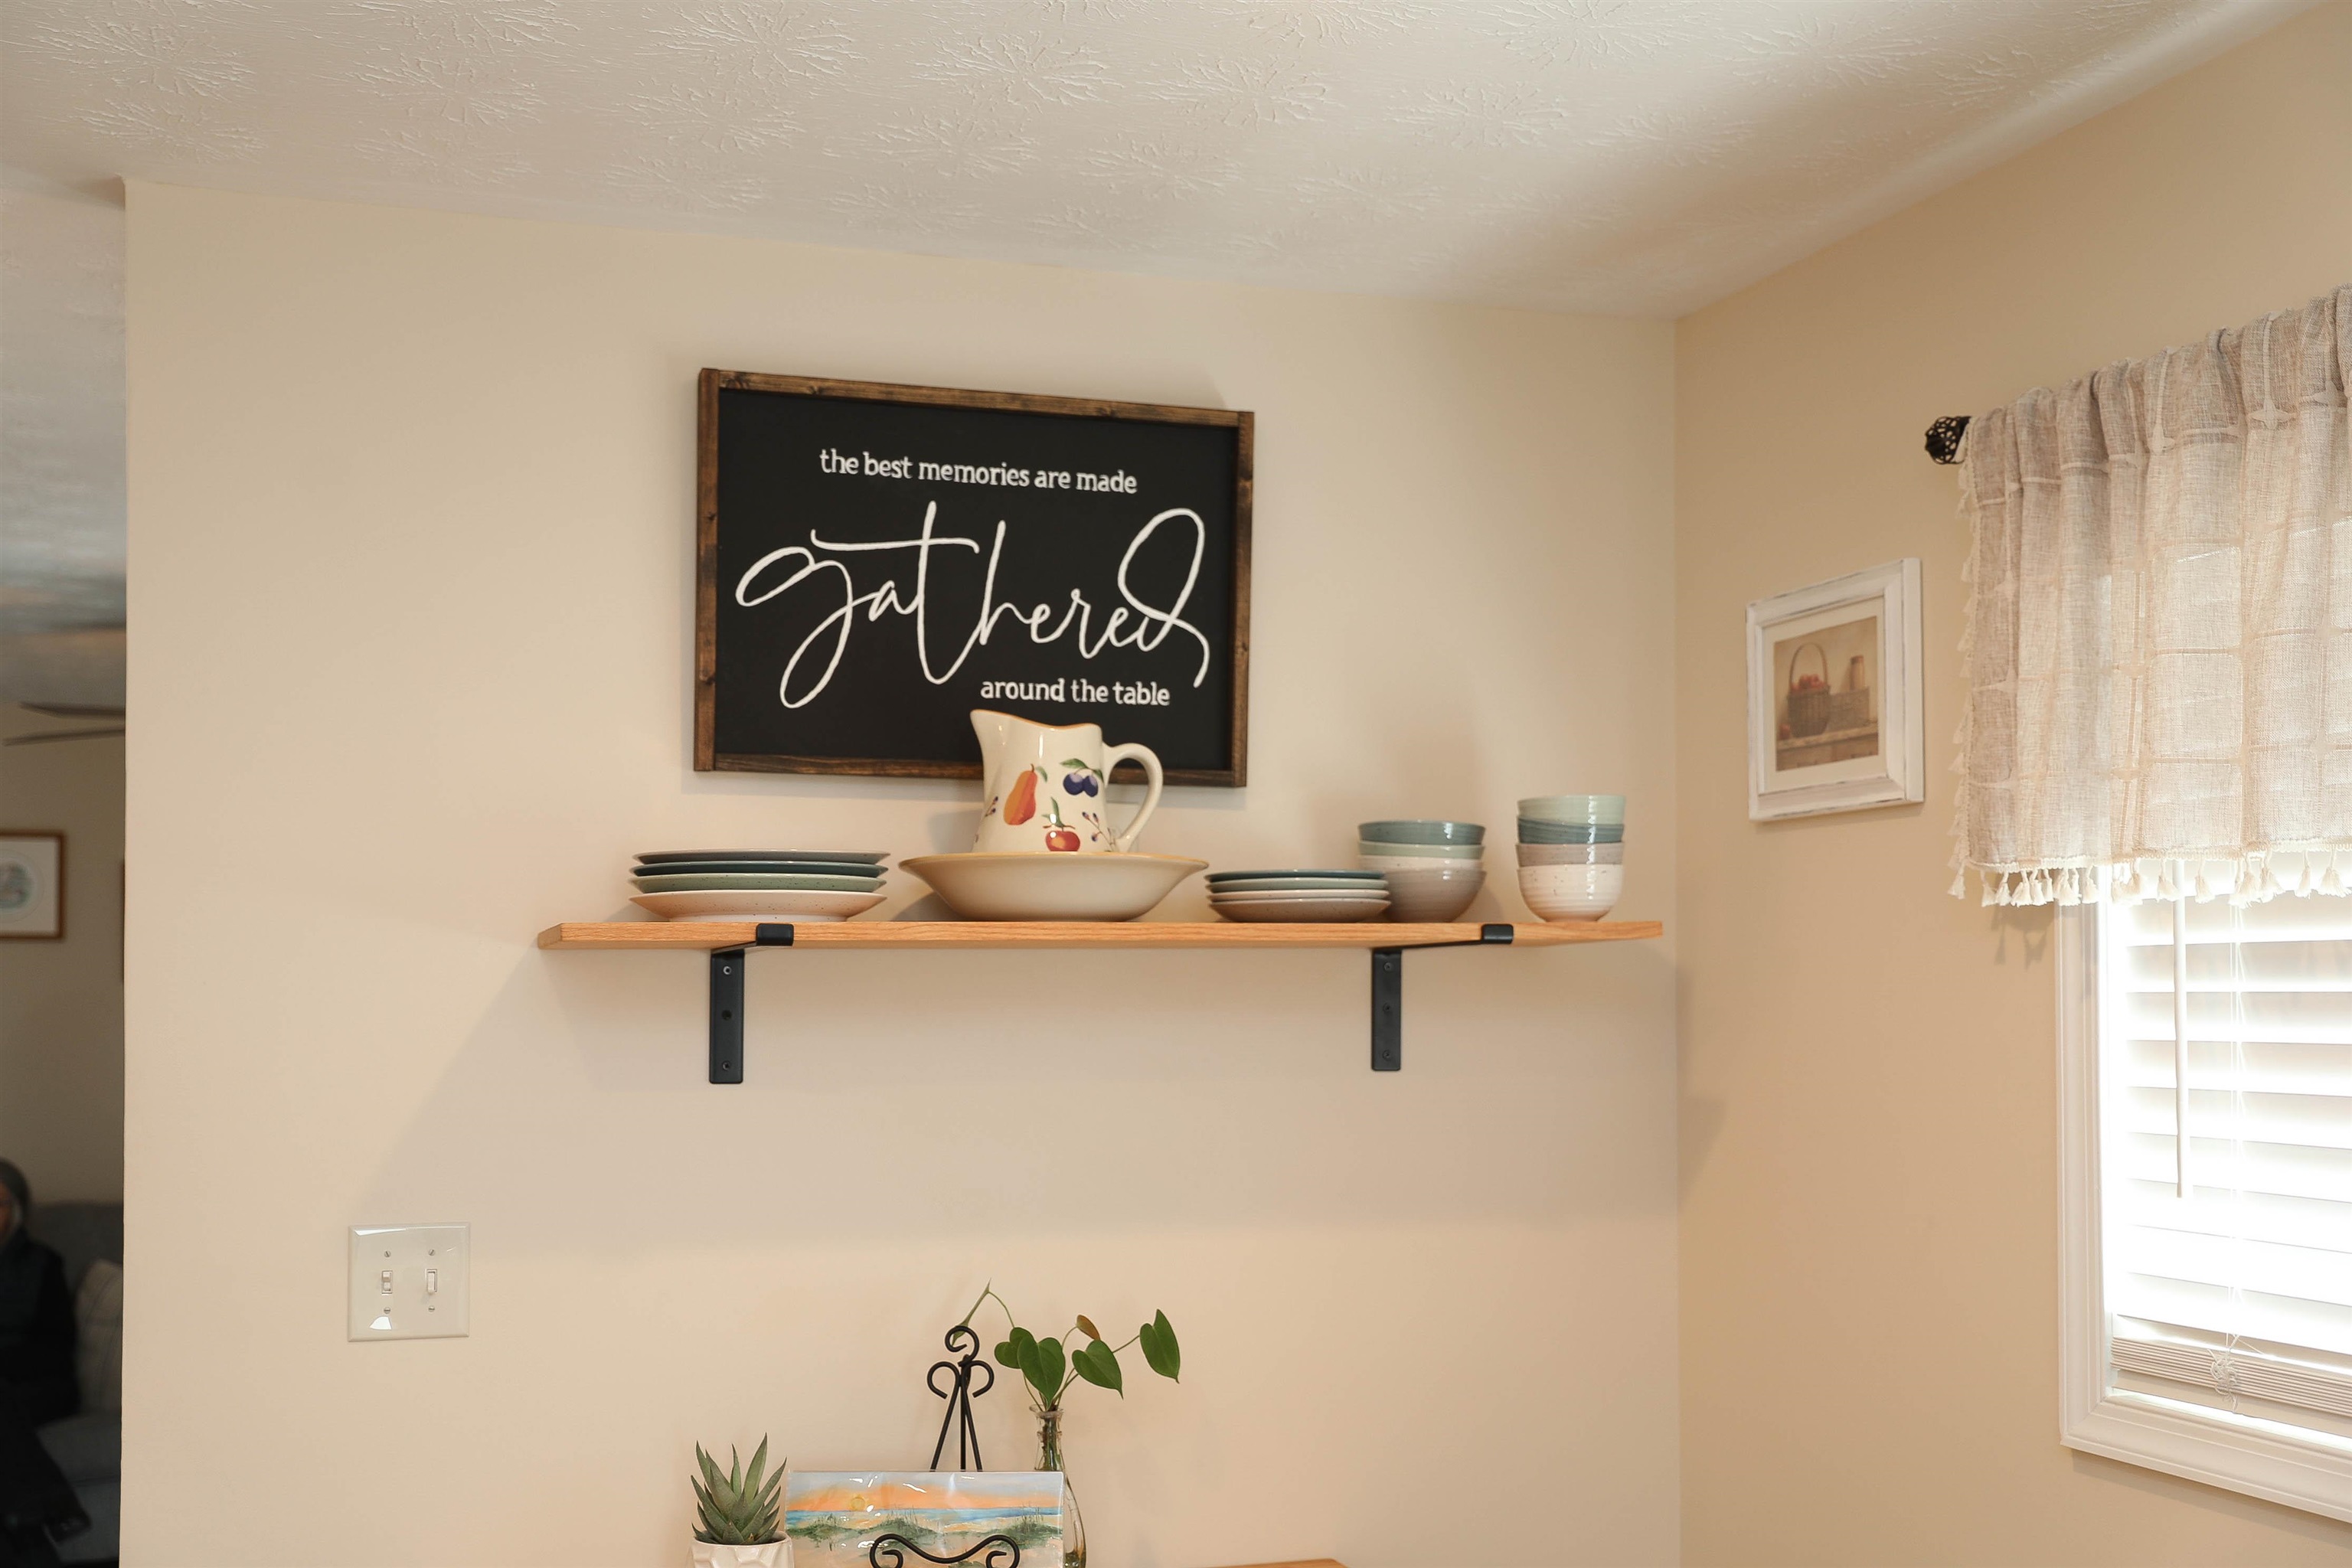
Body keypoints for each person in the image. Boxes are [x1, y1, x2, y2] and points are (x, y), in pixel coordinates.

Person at [0, 1161, 87, 1568]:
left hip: (41, 1382)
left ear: (15, 1211)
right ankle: (44, 1518)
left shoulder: (41, 1264)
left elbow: (56, 1347)